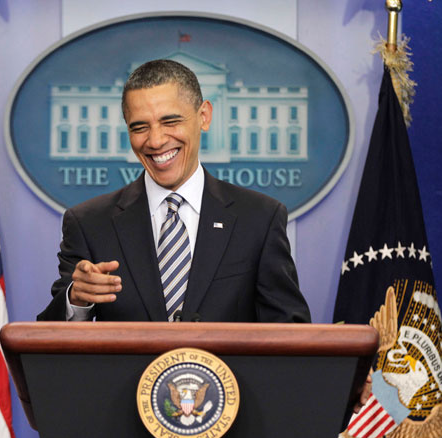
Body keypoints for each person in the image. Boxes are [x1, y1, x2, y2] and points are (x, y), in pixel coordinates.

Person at [37, 59, 311, 323]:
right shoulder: (88, 223)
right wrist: (77, 299)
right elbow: (49, 341)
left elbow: (290, 333)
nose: (155, 140)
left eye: (170, 122)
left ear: (204, 116)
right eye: (140, 127)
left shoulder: (260, 218)